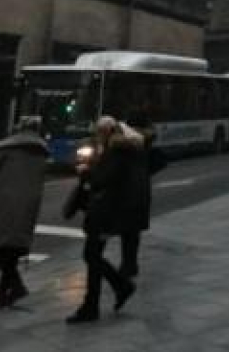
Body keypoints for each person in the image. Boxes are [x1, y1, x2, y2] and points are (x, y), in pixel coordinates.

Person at [66, 116, 140, 323]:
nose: (97, 136)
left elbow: (103, 180)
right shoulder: (120, 150)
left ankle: (116, 290)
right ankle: (98, 301)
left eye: (99, 132)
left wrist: (87, 172)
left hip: (105, 212)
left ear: (107, 131)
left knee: (91, 255)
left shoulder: (116, 152)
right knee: (92, 256)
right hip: (107, 211)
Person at [0, 116, 48, 308]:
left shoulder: (5, 148)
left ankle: (17, 287)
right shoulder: (42, 151)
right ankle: (2, 294)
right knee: (14, 247)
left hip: (4, 199)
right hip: (30, 202)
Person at [119, 113, 164, 280]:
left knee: (126, 231)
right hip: (142, 193)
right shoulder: (146, 142)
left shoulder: (129, 144)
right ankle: (131, 264)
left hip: (128, 192)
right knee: (134, 232)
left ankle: (127, 265)